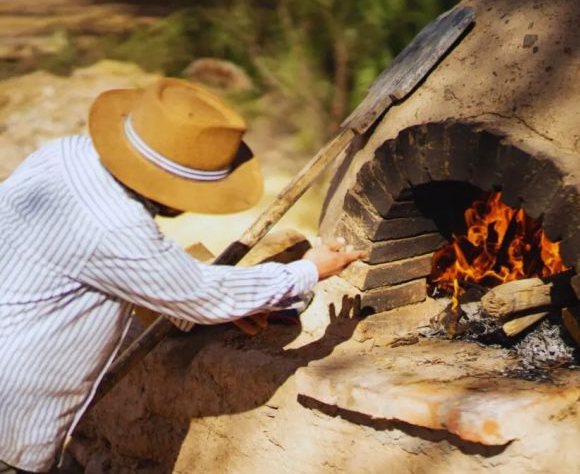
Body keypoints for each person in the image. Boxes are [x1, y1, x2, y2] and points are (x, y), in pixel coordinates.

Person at [0, 78, 365, 473]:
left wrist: (196, 304)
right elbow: (200, 292)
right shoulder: (116, 228)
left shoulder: (64, 156)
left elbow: (97, 269)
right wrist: (307, 270)